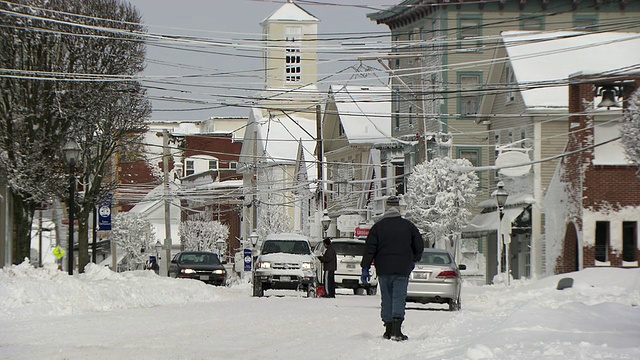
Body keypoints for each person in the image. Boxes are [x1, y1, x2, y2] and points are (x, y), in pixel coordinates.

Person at [361, 195, 424, 341]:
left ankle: (388, 329)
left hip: (383, 269)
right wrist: (414, 259)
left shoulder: (378, 227)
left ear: (386, 208)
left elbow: (370, 249)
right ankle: (397, 330)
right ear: (399, 208)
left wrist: (365, 267)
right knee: (398, 297)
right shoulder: (409, 227)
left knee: (387, 297)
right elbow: (419, 246)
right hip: (402, 268)